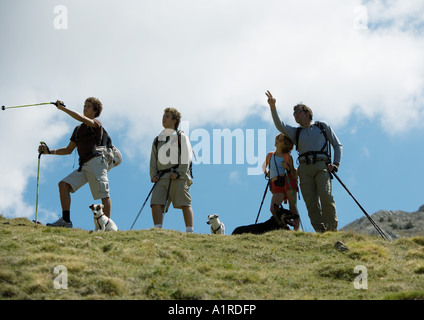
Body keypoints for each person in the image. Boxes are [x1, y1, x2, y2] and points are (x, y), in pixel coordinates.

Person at [265, 90, 343, 232]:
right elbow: (280, 125)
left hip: (322, 166)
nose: (295, 115)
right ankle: (320, 231)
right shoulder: (296, 132)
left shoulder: (322, 126)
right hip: (304, 169)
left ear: (307, 113)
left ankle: (332, 230)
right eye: (294, 113)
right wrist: (273, 107)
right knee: (310, 202)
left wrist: (336, 164)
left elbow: (337, 145)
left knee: (326, 196)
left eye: (298, 111)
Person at [38, 98, 112, 228]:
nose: (85, 108)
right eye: (84, 106)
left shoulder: (96, 123)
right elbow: (68, 150)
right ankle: (66, 221)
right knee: (63, 185)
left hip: (96, 162)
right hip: (83, 165)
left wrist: (63, 109)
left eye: (88, 106)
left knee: (103, 194)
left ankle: (106, 227)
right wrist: (48, 151)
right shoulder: (78, 130)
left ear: (95, 111)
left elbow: (82, 119)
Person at [150, 108, 194, 233]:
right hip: (162, 176)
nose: (164, 118)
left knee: (185, 203)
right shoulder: (157, 139)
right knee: (155, 202)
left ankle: (189, 231)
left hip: (178, 175)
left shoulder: (181, 136)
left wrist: (179, 173)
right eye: (163, 116)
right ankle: (158, 230)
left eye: (167, 116)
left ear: (174, 120)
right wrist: (153, 175)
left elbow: (187, 155)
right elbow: (153, 159)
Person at [263, 133, 300, 230]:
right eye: (277, 138)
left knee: (292, 206)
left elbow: (292, 171)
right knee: (273, 208)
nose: (277, 140)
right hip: (276, 184)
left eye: (280, 139)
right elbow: (264, 166)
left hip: (288, 182)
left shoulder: (287, 156)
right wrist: (267, 173)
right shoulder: (270, 155)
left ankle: (296, 230)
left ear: (285, 144)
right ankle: (285, 227)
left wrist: (287, 167)